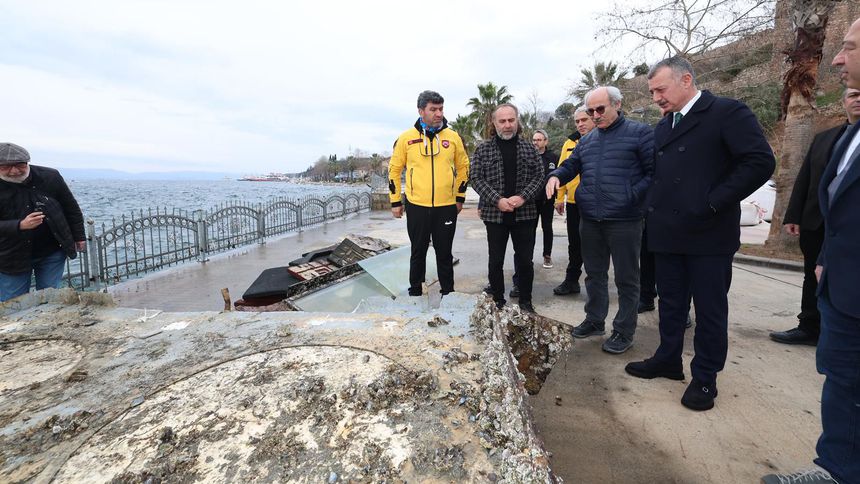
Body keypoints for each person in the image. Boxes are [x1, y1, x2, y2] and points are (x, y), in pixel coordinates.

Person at [625, 56, 775, 412]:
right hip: (667, 232)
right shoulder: (664, 127)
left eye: (660, 89)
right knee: (671, 304)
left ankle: (705, 377)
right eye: (652, 92)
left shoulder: (726, 112)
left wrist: (713, 202)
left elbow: (759, 161)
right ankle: (668, 359)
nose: (656, 97)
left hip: (709, 233)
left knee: (709, 310)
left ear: (686, 80)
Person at [763, 18, 860, 484]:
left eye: (849, 48)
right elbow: (820, 190)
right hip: (841, 284)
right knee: (842, 383)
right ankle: (835, 468)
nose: (838, 59)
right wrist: (824, 260)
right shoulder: (841, 137)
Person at [545, 86, 654, 354]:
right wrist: (556, 175)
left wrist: (631, 196)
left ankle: (623, 331)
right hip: (591, 219)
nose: (595, 115)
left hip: (625, 220)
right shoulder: (588, 141)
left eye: (600, 109)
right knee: (594, 275)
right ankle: (595, 320)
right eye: (591, 111)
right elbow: (572, 165)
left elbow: (654, 174)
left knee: (627, 279)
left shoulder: (640, 134)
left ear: (617, 104)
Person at [770, 88, 860, 346]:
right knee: (813, 275)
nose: (858, 99)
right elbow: (805, 178)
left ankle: (842, 333)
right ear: (843, 102)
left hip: (851, 227)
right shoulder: (823, 138)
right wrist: (793, 215)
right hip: (815, 222)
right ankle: (809, 327)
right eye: (853, 95)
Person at [388, 90, 470, 296]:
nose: (438, 113)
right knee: (418, 252)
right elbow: (394, 170)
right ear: (421, 110)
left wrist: (460, 197)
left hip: (446, 207)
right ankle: (416, 291)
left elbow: (464, 167)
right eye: (433, 109)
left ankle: (448, 293)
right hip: (417, 206)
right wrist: (395, 201)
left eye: (441, 109)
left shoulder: (452, 137)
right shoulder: (406, 138)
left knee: (444, 253)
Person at [471, 103, 542, 313]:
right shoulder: (483, 149)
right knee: (495, 261)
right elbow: (475, 178)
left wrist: (522, 197)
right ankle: (498, 302)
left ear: (517, 121)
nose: (507, 125)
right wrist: (497, 199)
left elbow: (539, 177)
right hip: (495, 215)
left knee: (525, 262)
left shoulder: (530, 148)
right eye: (502, 121)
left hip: (525, 214)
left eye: (511, 120)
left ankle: (526, 302)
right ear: (494, 123)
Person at [0, 143, 86, 302]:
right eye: (5, 167)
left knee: (50, 299)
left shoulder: (50, 177)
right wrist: (20, 225)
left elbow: (70, 208)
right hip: (11, 256)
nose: (14, 171)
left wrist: (79, 236)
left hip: (51, 251)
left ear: (27, 162)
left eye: (19, 165)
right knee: (12, 303)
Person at [506, 129, 558, 298]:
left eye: (539, 139)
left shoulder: (553, 158)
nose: (536, 142)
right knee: (525, 242)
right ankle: (519, 279)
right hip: (529, 203)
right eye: (534, 139)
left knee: (547, 228)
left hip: (547, 200)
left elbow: (558, 177)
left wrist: (558, 198)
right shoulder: (526, 154)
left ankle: (547, 255)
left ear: (546, 141)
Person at [553, 107, 595, 296]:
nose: (580, 124)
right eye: (577, 121)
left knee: (597, 245)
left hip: (597, 203)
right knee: (574, 244)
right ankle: (571, 281)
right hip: (573, 202)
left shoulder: (603, 139)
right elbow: (564, 169)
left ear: (594, 118)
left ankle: (596, 286)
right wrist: (559, 197)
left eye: (584, 120)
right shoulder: (569, 143)